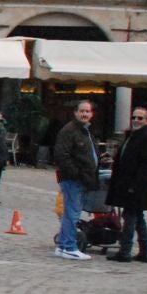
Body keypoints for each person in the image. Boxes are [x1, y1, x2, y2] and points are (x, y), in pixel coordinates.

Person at [105, 106, 147, 264]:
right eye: (134, 117)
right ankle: (145, 251)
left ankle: (125, 250)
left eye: (140, 118)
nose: (136, 120)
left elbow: (146, 165)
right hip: (128, 183)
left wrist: (134, 185)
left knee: (130, 217)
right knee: (138, 218)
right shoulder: (133, 136)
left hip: (136, 186)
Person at [51, 99, 98, 261]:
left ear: (91, 114)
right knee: (72, 212)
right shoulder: (70, 130)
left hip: (81, 178)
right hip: (73, 179)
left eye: (87, 111)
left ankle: (63, 245)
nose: (85, 114)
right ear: (75, 113)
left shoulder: (86, 131)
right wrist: (76, 173)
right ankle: (69, 246)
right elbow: (62, 155)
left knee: (71, 212)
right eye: (82, 111)